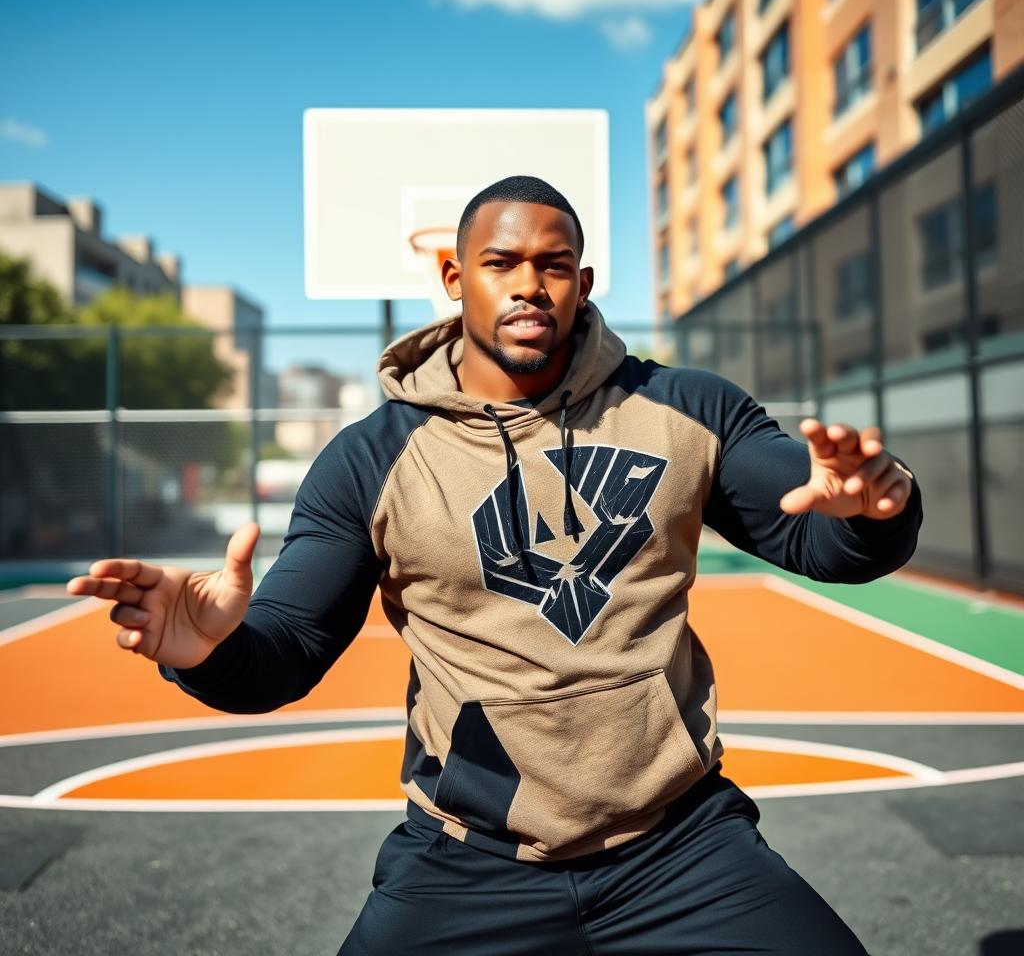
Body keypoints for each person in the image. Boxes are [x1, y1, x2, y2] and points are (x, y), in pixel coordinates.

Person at [67, 175, 922, 955]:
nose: (528, 284)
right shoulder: (372, 461)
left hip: (681, 846)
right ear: (452, 278)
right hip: (468, 863)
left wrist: (874, 511)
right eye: (500, 262)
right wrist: (205, 648)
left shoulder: (685, 408)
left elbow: (817, 535)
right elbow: (285, 646)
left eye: (555, 265)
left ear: (583, 285)